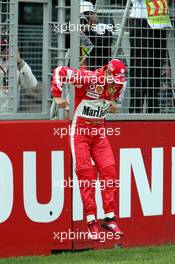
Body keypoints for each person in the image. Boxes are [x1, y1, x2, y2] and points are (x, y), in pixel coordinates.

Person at [51, 59, 126, 241]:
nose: (116, 84)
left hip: (99, 131)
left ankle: (109, 218)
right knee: (87, 175)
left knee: (109, 171)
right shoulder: (90, 77)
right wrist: (57, 95)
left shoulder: (119, 84)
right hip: (80, 133)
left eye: (118, 81)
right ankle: (91, 221)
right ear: (107, 73)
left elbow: (110, 102)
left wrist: (111, 106)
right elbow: (60, 71)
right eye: (114, 79)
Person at [129, 0, 172, 113]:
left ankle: (154, 111)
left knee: (155, 72)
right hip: (142, 24)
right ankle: (135, 112)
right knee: (140, 72)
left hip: (159, 26)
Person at [0, 37, 37, 112]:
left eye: (8, 48)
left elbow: (32, 84)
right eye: (3, 48)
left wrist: (20, 62)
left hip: (10, 116)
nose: (6, 51)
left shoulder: (18, 65)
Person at [80, 1, 113, 70]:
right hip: (78, 69)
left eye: (89, 14)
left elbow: (103, 43)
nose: (87, 18)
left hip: (99, 69)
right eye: (84, 15)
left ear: (95, 14)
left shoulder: (105, 27)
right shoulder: (75, 29)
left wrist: (88, 31)